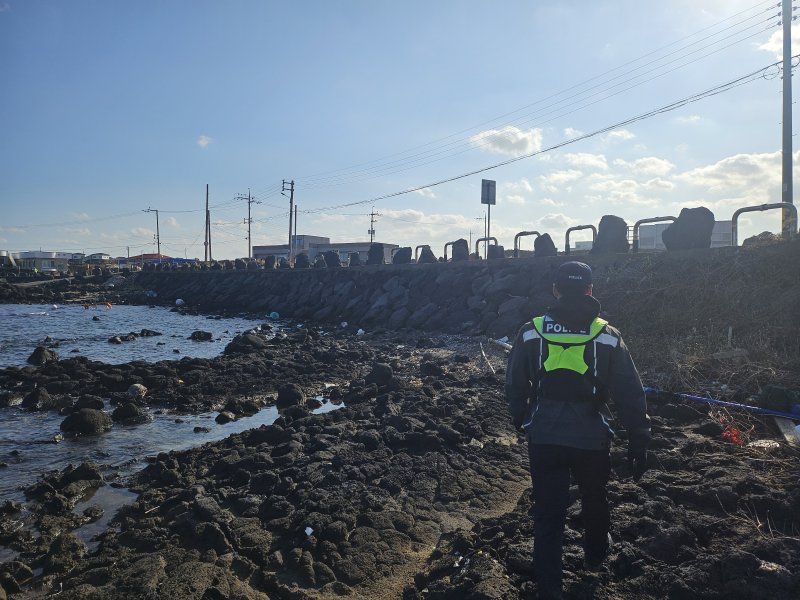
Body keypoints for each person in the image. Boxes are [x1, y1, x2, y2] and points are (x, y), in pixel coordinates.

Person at [505, 261, 651, 600]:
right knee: (596, 501)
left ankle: (549, 589)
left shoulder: (531, 330)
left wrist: (520, 419)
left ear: (555, 290)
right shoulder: (608, 335)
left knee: (548, 515)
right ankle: (594, 561)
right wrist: (639, 438)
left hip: (544, 437)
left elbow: (514, 382)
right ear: (589, 290)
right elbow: (630, 392)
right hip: (592, 439)